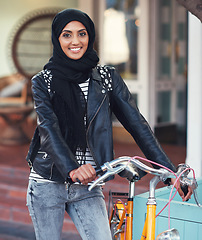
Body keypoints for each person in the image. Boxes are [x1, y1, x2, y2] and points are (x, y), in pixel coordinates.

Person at [26, 8, 192, 240]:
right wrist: (72, 167)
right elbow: (48, 129)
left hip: (90, 183)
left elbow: (138, 125)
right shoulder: (43, 81)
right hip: (48, 182)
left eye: (82, 34)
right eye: (67, 34)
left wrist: (168, 172)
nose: (75, 41)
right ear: (57, 38)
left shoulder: (106, 77)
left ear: (90, 37)